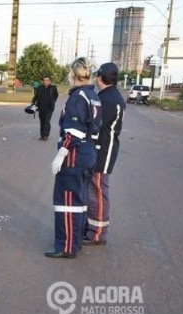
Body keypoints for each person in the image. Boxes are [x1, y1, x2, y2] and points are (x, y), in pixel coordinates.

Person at [45, 57, 102, 259]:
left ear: (72, 74)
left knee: (66, 201)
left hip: (74, 153)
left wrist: (61, 154)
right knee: (80, 200)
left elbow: (73, 131)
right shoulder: (92, 95)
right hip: (88, 151)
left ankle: (66, 246)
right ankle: (75, 241)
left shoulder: (78, 97)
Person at [83, 62, 125, 246]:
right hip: (102, 149)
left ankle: (98, 233)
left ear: (100, 77)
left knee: (98, 191)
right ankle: (93, 228)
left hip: (103, 152)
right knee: (94, 190)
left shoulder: (108, 100)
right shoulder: (108, 95)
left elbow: (96, 125)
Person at [31, 76, 59, 141]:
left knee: (47, 121)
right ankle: (42, 135)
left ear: (50, 81)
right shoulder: (40, 88)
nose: (45, 82)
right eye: (44, 80)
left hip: (49, 108)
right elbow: (36, 96)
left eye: (47, 80)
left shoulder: (53, 88)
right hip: (41, 108)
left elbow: (56, 95)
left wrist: (53, 101)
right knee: (42, 122)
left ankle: (46, 135)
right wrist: (32, 102)